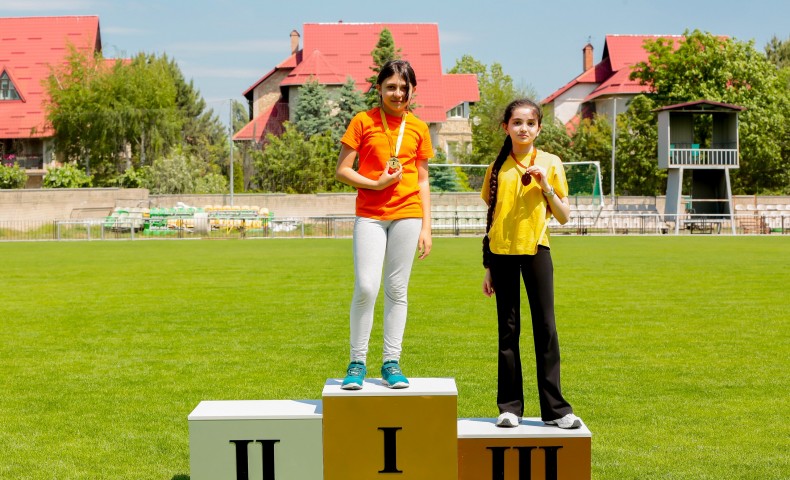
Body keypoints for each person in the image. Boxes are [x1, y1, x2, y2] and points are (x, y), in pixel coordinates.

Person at [481, 98, 582, 429]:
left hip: (537, 250)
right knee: (508, 331)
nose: (523, 128)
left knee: (546, 329)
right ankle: (509, 407)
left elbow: (565, 217)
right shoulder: (497, 167)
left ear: (539, 128)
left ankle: (556, 410)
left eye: (530, 123)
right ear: (505, 127)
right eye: (516, 122)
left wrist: (546, 187)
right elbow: (491, 217)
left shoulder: (551, 162)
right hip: (501, 255)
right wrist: (487, 267)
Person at [335, 59, 433, 390]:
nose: (397, 93)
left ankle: (391, 362)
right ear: (379, 89)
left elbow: (422, 179)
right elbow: (343, 169)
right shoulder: (363, 121)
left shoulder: (419, 127)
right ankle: (356, 362)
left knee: (396, 289)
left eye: (404, 88)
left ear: (412, 91)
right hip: (370, 214)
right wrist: (375, 184)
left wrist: (426, 227)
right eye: (391, 87)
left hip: (408, 213)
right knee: (366, 286)